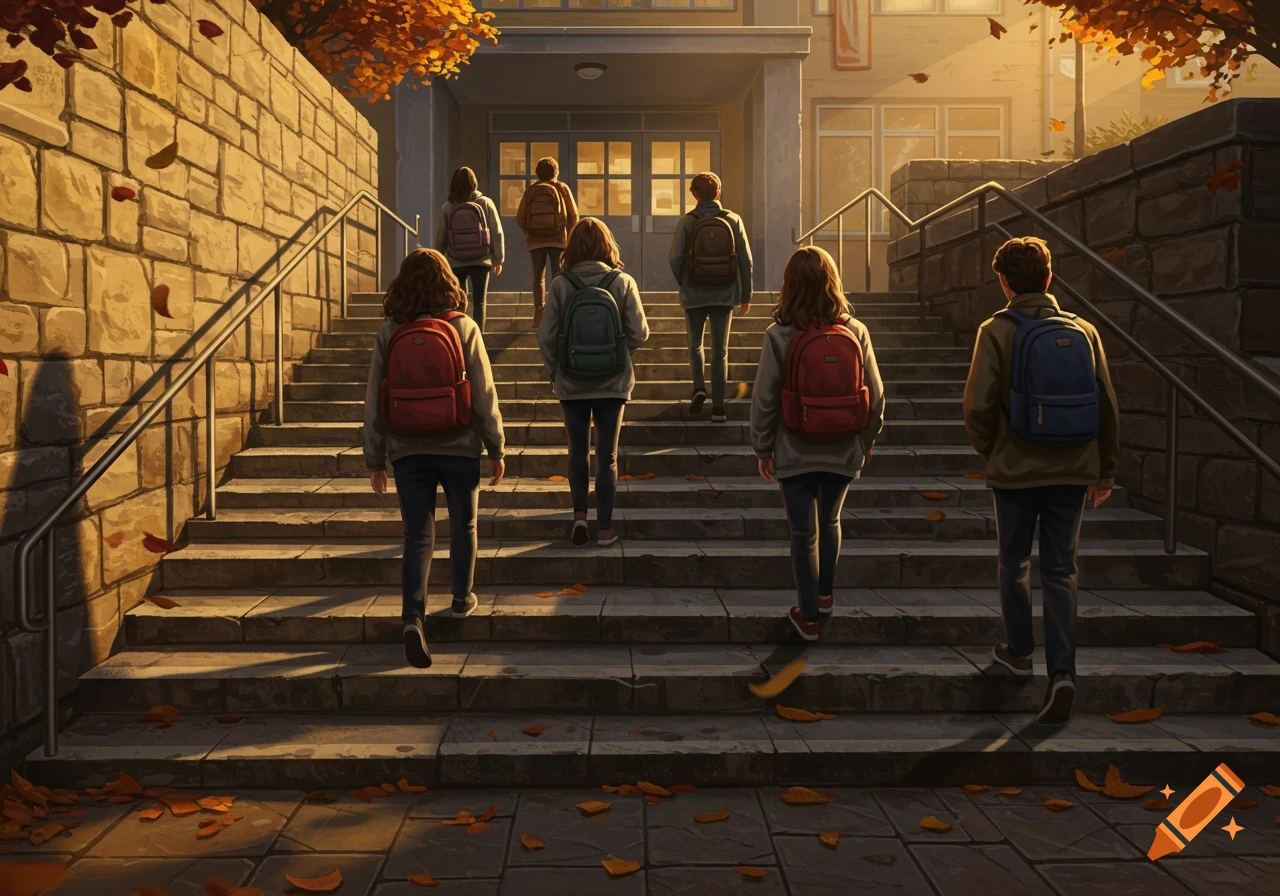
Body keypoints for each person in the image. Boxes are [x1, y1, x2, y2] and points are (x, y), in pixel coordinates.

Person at [963, 236, 1120, 725]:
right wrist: (1105, 468)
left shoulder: (995, 330)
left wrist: (994, 451)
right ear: (1050, 278)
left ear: (1004, 283)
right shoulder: (1085, 331)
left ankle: (1017, 651)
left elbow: (977, 405)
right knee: (1061, 569)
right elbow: (1108, 404)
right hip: (1073, 467)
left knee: (1013, 562)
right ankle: (1063, 673)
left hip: (1015, 470)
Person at [363, 248, 506, 670]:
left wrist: (375, 458)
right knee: (464, 524)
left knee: (417, 536)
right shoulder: (463, 326)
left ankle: (413, 616)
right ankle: (461, 599)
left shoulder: (390, 331)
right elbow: (483, 393)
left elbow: (374, 398)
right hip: (460, 445)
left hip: (408, 448)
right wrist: (496, 446)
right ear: (449, 281)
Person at [750, 246, 884, 642]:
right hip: (843, 445)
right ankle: (825, 597)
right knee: (831, 521)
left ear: (789, 285)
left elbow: (765, 397)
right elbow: (876, 395)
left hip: (794, 447)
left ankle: (807, 617)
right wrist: (867, 438)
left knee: (802, 534)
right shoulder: (855, 332)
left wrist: (762, 447)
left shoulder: (778, 334)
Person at [538, 218, 650, 547]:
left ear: (572, 247)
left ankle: (578, 518)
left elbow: (545, 336)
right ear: (607, 245)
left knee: (577, 452)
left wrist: (556, 372)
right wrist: (616, 353)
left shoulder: (561, 284)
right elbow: (640, 333)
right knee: (607, 456)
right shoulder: (622, 281)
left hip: (571, 382)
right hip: (612, 383)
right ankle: (604, 529)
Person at [668, 172, 753, 423]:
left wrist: (686, 282)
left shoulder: (687, 221)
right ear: (719, 192)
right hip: (724, 292)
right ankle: (718, 408)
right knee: (720, 351)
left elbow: (674, 258)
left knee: (695, 345)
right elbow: (746, 261)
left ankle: (699, 388)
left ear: (694, 194)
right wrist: (745, 295)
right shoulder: (733, 219)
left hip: (694, 292)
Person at [437, 166, 504, 333]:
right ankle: (478, 336)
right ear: (474, 182)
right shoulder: (485, 202)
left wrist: (439, 260)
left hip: (455, 259)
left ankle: (460, 333)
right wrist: (498, 259)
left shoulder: (448, 207)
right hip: (481, 259)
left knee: (458, 300)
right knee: (480, 301)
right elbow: (497, 232)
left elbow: (441, 236)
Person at [517, 157, 579, 330]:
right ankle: (558, 313)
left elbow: (520, 217)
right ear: (556, 172)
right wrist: (567, 234)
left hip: (535, 242)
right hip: (558, 241)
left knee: (538, 279)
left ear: (537, 173)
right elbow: (574, 216)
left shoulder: (531, 190)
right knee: (558, 277)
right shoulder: (562, 188)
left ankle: (539, 314)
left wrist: (530, 233)